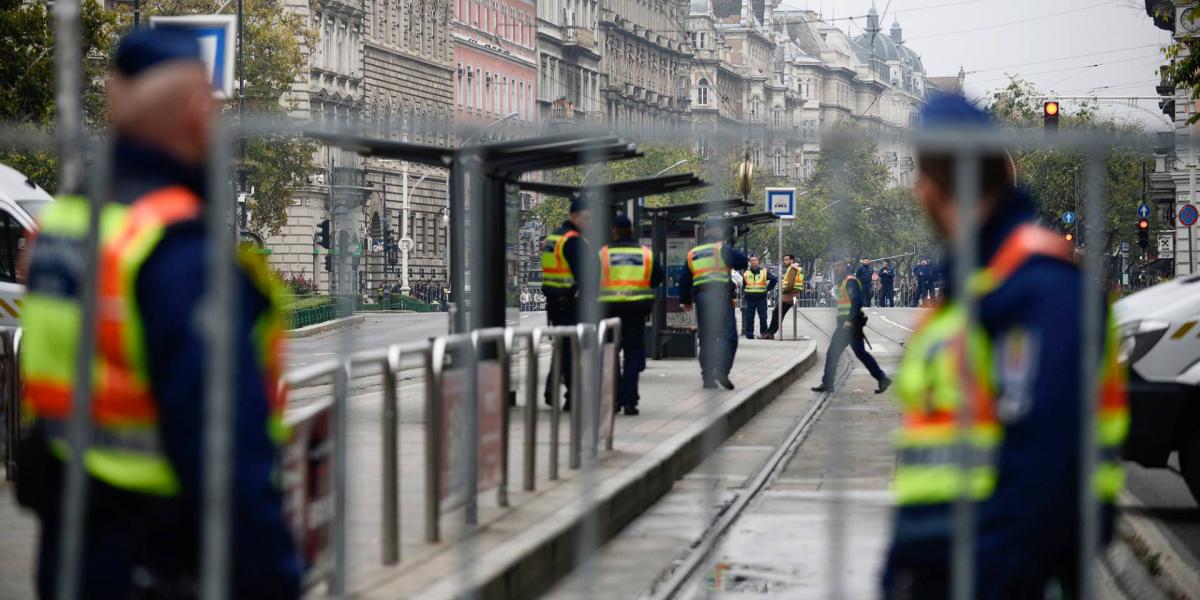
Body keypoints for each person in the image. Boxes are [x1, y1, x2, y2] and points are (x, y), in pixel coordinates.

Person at [16, 29, 300, 599]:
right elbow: (225, 455)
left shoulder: (63, 226)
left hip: (69, 550)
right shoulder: (176, 247)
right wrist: (273, 578)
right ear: (198, 112)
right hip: (162, 561)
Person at [880, 95, 1128, 599]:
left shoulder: (1041, 288)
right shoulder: (973, 286)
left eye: (922, 173)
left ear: (941, 182)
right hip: (941, 569)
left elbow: (1046, 465)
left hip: (1004, 575)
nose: (915, 191)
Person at [597, 215, 663, 416]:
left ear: (614, 231)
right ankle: (630, 401)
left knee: (610, 353)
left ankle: (614, 399)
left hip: (610, 310)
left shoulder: (604, 254)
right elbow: (657, 277)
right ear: (632, 230)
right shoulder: (645, 254)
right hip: (636, 311)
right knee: (633, 352)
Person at [540, 199, 597, 411]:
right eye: (587, 218)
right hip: (570, 302)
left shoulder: (552, 239)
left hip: (554, 303)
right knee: (573, 350)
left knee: (562, 347)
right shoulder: (573, 241)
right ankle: (571, 396)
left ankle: (551, 389)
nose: (589, 223)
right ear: (575, 216)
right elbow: (586, 275)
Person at [679, 220, 748, 389]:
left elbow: (684, 280)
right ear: (716, 230)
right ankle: (721, 370)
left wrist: (686, 301)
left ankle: (707, 378)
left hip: (702, 299)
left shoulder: (693, 253)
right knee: (728, 336)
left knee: (707, 338)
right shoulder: (721, 249)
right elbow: (742, 262)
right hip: (720, 297)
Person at [811, 261, 891, 394]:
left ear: (845, 267)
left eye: (838, 266)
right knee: (859, 353)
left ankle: (828, 383)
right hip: (846, 325)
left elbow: (857, 302)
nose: (836, 268)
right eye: (834, 266)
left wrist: (849, 320)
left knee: (834, 353)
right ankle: (882, 378)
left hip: (849, 325)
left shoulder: (850, 282)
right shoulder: (842, 282)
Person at [763, 253, 803, 339]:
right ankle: (769, 332)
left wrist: (783, 291)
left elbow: (790, 285)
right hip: (790, 295)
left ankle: (770, 333)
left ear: (792, 260)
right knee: (778, 314)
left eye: (787, 260)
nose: (785, 261)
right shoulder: (792, 269)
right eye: (784, 260)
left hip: (789, 296)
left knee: (777, 313)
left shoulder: (792, 269)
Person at [740, 254, 776, 340]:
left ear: (758, 261)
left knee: (763, 317)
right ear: (750, 262)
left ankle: (763, 334)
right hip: (750, 299)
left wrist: (768, 289)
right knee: (749, 318)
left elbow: (774, 279)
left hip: (761, 298)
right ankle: (749, 335)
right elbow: (744, 285)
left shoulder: (764, 271)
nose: (753, 262)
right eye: (752, 260)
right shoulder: (746, 273)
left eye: (755, 260)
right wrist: (745, 293)